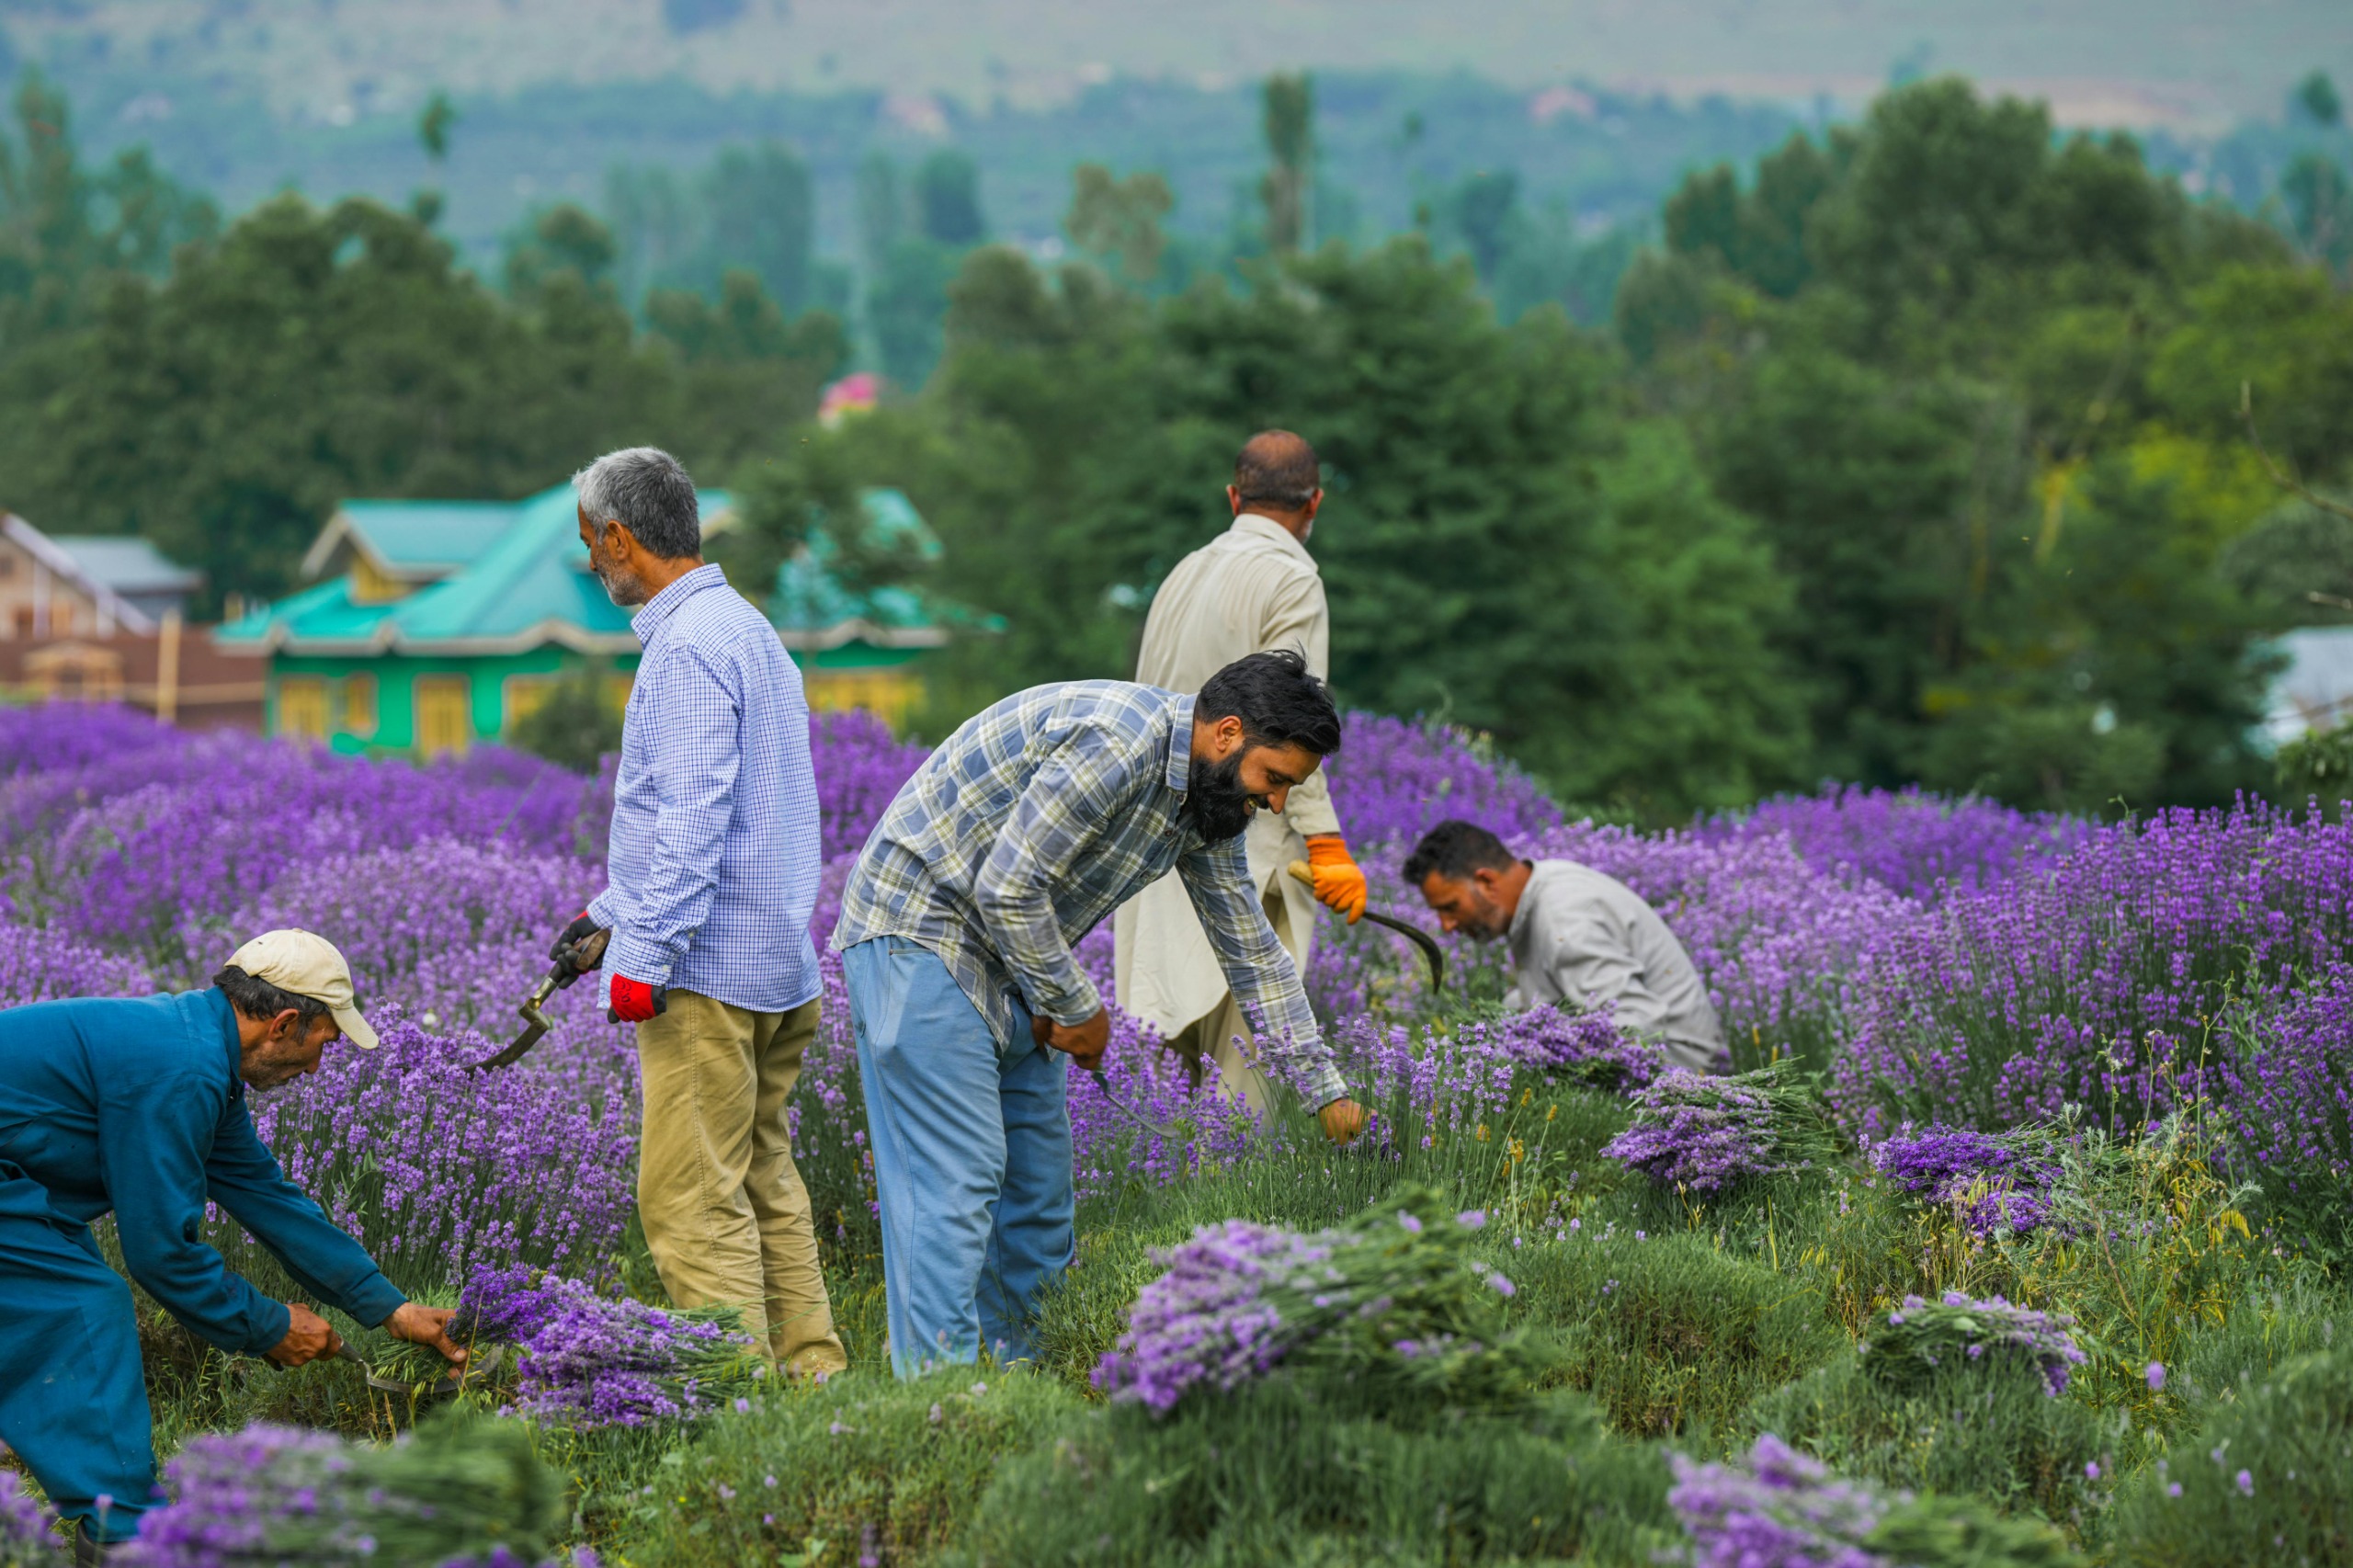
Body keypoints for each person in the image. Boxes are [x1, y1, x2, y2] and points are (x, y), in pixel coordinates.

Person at [834, 650, 1370, 1376]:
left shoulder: (1209, 804)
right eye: (1274, 779)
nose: (1275, 804)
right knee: (954, 1188)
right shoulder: (1119, 744)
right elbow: (1010, 889)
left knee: (1038, 1197)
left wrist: (1325, 1089)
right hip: (923, 934)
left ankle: (1027, 1381)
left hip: (1021, 957)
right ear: (1227, 733)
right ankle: (940, 1406)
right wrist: (1078, 1007)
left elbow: (1251, 950)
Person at [0, 930, 467, 1554]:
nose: (315, 1068)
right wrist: (268, 1325)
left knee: (58, 1289)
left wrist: (388, 1308)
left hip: (18, 1188)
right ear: (283, 1023)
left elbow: (265, 1195)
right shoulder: (183, 1071)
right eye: (320, 1045)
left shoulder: (199, 1053)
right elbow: (161, 1251)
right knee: (84, 1309)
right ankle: (125, 1536)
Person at [562, 445, 846, 1378]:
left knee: (689, 1201)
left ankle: (744, 1408)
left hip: (704, 974)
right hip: (774, 961)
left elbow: (690, 818)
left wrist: (639, 956)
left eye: (588, 542)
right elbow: (731, 813)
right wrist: (610, 910)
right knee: (764, 1180)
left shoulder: (683, 647)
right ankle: (813, 1379)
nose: (588, 561)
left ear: (619, 536)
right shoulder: (744, 627)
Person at [1116, 431, 1370, 1113]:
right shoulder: (1292, 578)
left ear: (1233, 497)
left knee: (1168, 1057)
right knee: (1242, 1066)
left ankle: (1161, 1211)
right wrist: (1324, 841)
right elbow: (1291, 727)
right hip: (1245, 844)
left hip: (1157, 831)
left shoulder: (1184, 570)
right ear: (1314, 503)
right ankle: (1229, 1209)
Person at [1404, 820, 1726, 1071]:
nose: (1447, 926)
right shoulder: (1541, 885)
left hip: (1684, 1076)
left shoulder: (1564, 921)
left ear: (1487, 882)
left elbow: (1637, 1027)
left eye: (1450, 907)